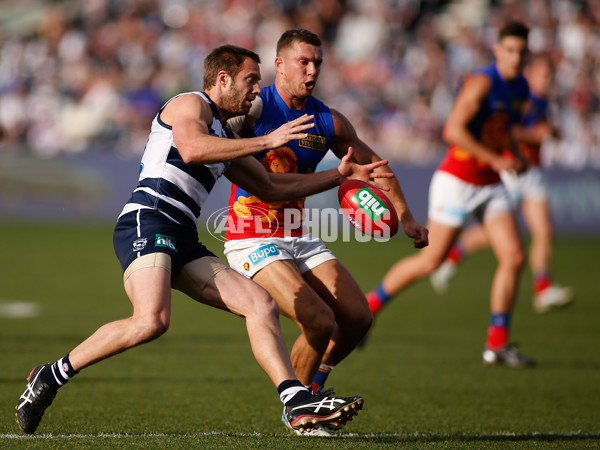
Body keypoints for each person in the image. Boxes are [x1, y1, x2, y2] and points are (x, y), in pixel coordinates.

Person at [15, 44, 396, 435]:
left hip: (182, 234)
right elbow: (193, 149)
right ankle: (50, 375)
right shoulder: (190, 105)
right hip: (149, 221)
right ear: (223, 79)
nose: (255, 91)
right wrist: (266, 142)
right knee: (151, 321)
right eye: (250, 81)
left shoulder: (224, 136)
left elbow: (270, 186)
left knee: (259, 304)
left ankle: (294, 400)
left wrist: (340, 175)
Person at [223, 28, 429, 435]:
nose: (312, 70)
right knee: (317, 322)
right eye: (303, 62)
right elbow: (214, 133)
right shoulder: (254, 108)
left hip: (298, 234)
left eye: (317, 62)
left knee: (356, 318)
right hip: (252, 235)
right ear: (278, 65)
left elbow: (376, 168)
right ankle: (298, 412)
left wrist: (405, 217)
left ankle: (312, 390)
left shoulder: (328, 121)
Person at [365, 21, 536, 368]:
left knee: (515, 257)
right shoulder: (482, 82)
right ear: (497, 51)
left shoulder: (521, 88)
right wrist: (497, 159)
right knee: (431, 261)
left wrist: (515, 153)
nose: (516, 57)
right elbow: (453, 129)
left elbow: (502, 132)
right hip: (458, 180)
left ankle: (496, 345)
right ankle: (368, 308)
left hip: (491, 183)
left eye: (522, 51)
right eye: (510, 50)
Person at [430, 54, 574, 313]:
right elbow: (506, 130)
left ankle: (542, 287)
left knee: (542, 232)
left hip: (530, 168)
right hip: (507, 167)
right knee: (494, 235)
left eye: (549, 74)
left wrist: (549, 133)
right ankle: (451, 257)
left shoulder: (538, 100)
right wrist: (533, 137)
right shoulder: (522, 97)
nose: (546, 79)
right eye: (542, 73)